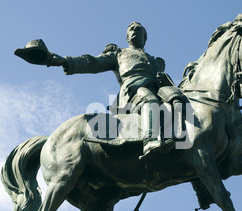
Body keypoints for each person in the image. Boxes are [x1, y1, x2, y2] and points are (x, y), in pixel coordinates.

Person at [47, 22, 178, 159]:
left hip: (159, 92)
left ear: (145, 38)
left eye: (139, 29)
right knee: (149, 99)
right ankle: (150, 140)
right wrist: (65, 61)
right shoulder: (119, 53)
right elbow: (93, 63)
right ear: (127, 37)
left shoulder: (156, 61)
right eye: (131, 29)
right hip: (133, 91)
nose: (135, 31)